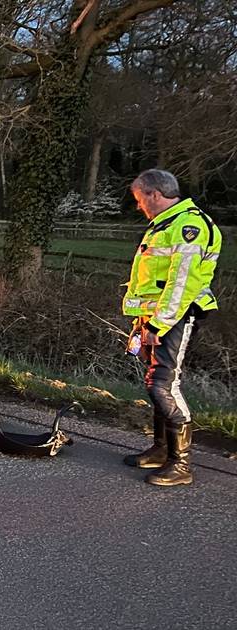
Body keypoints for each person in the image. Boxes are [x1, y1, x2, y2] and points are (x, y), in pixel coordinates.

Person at [122, 169, 222, 486]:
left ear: (154, 194)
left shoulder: (188, 226)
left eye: (140, 200)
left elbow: (181, 284)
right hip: (155, 318)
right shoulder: (164, 225)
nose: (139, 207)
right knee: (155, 381)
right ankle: (161, 450)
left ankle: (181, 465)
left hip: (174, 318)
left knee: (163, 385)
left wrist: (157, 324)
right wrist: (142, 321)